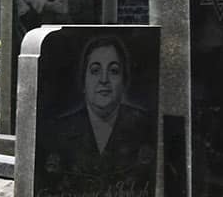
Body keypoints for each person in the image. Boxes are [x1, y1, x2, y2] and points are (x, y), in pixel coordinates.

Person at [43, 34, 153, 180]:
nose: (104, 80)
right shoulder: (59, 131)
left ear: (124, 80)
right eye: (95, 71)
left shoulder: (145, 126)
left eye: (113, 71)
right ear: (83, 80)